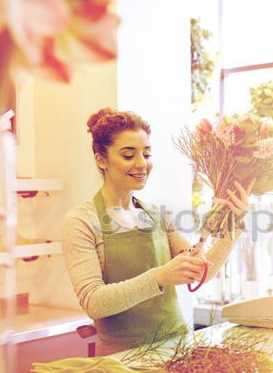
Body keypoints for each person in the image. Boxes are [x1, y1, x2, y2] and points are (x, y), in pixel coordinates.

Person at [61, 108, 251, 355]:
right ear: (101, 160)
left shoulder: (157, 216)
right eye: (129, 155)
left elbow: (199, 272)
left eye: (147, 154)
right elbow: (94, 302)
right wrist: (160, 276)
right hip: (124, 359)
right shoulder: (81, 221)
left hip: (178, 349)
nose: (142, 164)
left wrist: (232, 226)